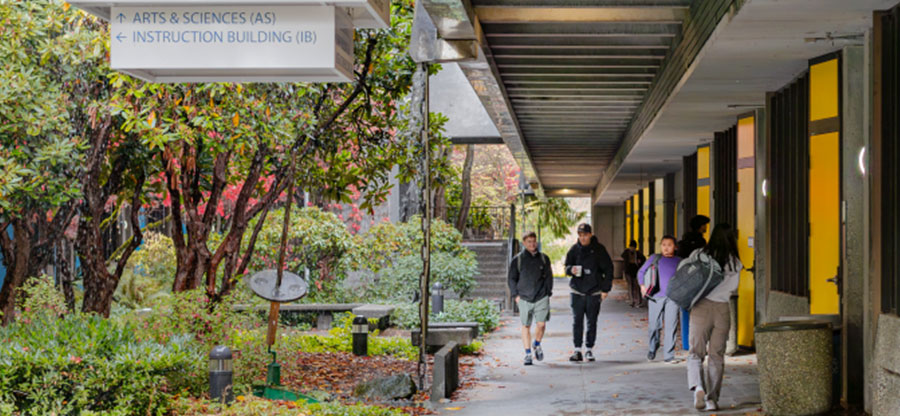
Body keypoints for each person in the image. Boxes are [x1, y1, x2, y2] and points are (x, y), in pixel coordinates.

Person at [686, 224, 743, 412]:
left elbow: (686, 273)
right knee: (716, 355)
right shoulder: (735, 261)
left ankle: (698, 388)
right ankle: (712, 399)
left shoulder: (699, 254)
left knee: (695, 353)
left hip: (701, 307)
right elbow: (734, 288)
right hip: (722, 309)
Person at [564, 223, 614, 362]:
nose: (583, 238)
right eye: (580, 235)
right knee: (577, 322)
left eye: (585, 235)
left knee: (592, 322)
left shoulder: (599, 250)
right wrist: (570, 270)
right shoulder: (574, 250)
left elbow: (609, 269)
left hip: (594, 292)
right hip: (577, 292)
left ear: (590, 235)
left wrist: (605, 289)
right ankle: (577, 350)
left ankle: (589, 349)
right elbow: (566, 267)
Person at [508, 231, 554, 366]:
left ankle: (537, 344)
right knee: (526, 325)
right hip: (524, 297)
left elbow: (549, 277)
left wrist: (547, 292)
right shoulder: (518, 260)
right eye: (529, 242)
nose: (532, 244)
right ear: (524, 243)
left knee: (541, 324)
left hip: (541, 296)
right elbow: (511, 279)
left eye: (534, 241)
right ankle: (528, 354)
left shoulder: (544, 258)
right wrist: (516, 296)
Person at [638, 235, 682, 363]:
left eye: (669, 245)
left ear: (675, 247)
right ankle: (653, 348)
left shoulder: (680, 261)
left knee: (671, 326)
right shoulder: (654, 258)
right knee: (654, 326)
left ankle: (669, 355)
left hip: (672, 298)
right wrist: (642, 286)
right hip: (656, 297)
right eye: (663, 245)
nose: (666, 247)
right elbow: (641, 272)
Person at [677, 214, 710, 351]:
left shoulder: (683, 242)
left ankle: (686, 342)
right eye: (705, 225)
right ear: (700, 226)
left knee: (685, 311)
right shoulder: (701, 243)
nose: (706, 227)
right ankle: (699, 343)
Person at [621, 240, 646, 308]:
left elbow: (643, 259)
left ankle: (638, 301)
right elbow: (622, 256)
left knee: (636, 287)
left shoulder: (638, 253)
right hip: (628, 271)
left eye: (633, 247)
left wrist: (639, 261)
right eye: (631, 247)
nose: (632, 248)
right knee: (630, 286)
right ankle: (632, 301)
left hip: (636, 270)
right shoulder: (626, 252)